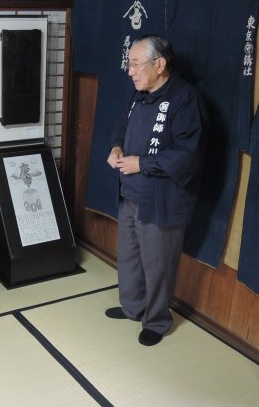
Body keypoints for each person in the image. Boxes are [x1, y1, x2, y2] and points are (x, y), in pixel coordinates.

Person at [105, 35, 205, 346]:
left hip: (163, 200)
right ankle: (133, 307)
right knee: (130, 258)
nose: (130, 71)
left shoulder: (186, 99)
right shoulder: (139, 94)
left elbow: (189, 153)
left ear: (159, 65)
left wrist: (142, 164)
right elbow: (122, 125)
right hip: (131, 192)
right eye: (129, 64)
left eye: (135, 64)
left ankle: (158, 321)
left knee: (159, 263)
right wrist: (116, 148)